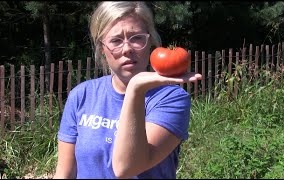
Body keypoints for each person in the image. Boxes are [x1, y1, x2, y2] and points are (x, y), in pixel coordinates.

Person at [53, 1, 202, 179]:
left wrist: (135, 90)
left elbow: (127, 168)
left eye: (137, 38)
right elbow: (64, 173)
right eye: (116, 40)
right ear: (102, 49)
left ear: (150, 41)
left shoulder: (170, 99)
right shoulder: (82, 95)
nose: (127, 49)